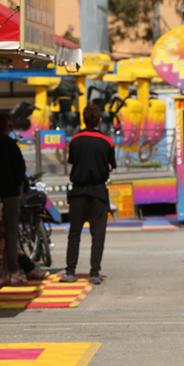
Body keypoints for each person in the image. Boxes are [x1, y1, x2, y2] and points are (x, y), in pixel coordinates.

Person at [61, 105, 116, 285]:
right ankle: (94, 272)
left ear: (83, 120)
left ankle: (70, 271)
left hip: (78, 192)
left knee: (74, 233)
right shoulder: (107, 142)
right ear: (99, 120)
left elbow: (72, 161)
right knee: (98, 234)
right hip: (98, 192)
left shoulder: (75, 140)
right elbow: (111, 165)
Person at [0, 114, 28, 285]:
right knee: (11, 232)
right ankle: (13, 270)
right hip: (9, 193)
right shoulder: (10, 145)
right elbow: (20, 169)